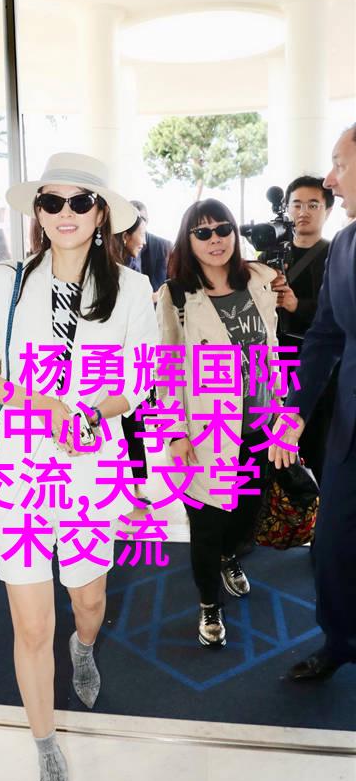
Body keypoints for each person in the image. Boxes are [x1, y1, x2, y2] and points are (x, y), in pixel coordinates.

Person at [0, 152, 157, 781]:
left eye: (81, 202)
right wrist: (46, 405)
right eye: (53, 202)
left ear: (101, 213)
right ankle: (48, 755)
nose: (66, 214)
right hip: (18, 472)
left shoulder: (132, 286)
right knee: (30, 626)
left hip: (91, 473)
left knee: (88, 603)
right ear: (38, 212)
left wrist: (93, 411)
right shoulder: (6, 281)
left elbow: (139, 378)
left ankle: (86, 647)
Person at [156, 199, 277, 648]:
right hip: (206, 432)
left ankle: (230, 556)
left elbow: (274, 344)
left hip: (260, 425)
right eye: (202, 232)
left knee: (246, 512)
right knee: (206, 523)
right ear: (188, 240)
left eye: (223, 229)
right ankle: (209, 602)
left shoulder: (259, 279)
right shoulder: (176, 295)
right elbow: (166, 370)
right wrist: (175, 433)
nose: (215, 240)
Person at [269, 124, 356, 681]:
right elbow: (324, 335)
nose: (331, 179)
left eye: (340, 164)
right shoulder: (345, 247)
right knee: (333, 545)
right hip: (348, 429)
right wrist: (294, 412)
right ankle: (339, 641)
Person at [269, 176, 335, 483]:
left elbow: (340, 315)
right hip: (273, 366)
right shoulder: (269, 256)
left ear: (327, 210)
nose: (303, 212)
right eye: (296, 204)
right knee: (273, 456)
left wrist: (299, 306)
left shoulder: (336, 254)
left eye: (313, 205)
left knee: (320, 446)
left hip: (321, 370)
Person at [116, 212, 151, 506]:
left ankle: (137, 487)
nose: (144, 240)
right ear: (126, 236)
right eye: (141, 233)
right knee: (126, 428)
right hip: (111, 363)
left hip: (129, 363)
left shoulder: (132, 271)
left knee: (133, 427)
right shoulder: (116, 274)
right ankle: (128, 488)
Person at [129, 199, 171, 295]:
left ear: (147, 221)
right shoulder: (114, 245)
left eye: (142, 219)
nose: (138, 222)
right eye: (134, 218)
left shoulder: (164, 246)